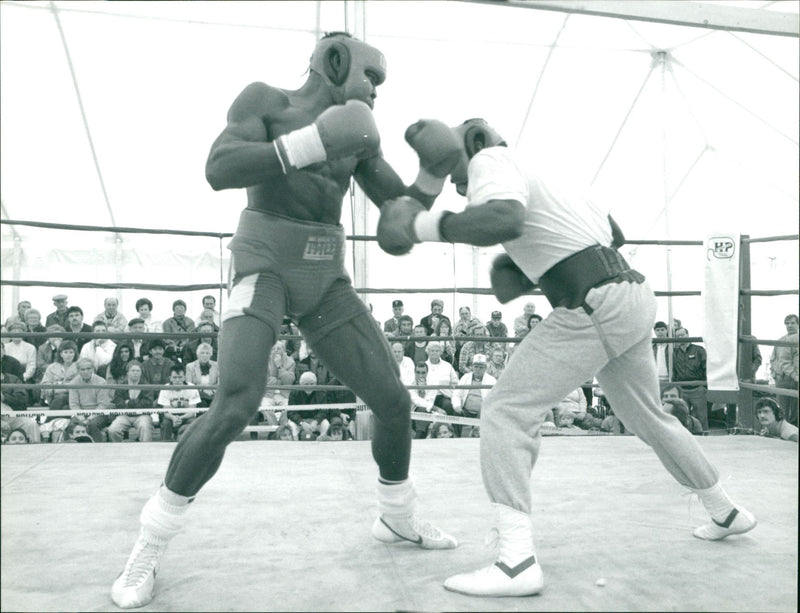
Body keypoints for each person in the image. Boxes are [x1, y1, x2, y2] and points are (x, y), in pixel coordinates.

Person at [111, 32, 460, 609]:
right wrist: (310, 143)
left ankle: (397, 518)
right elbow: (218, 168)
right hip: (264, 259)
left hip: (326, 273)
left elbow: (399, 227)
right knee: (237, 402)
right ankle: (149, 543)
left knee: (394, 402)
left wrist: (432, 176)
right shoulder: (267, 102)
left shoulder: (361, 137)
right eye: (372, 77)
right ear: (336, 60)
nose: (376, 91)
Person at [376, 117, 756, 596]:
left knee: (506, 410)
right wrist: (527, 265)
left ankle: (516, 562)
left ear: (474, 143)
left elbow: (505, 219)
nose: (454, 180)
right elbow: (612, 235)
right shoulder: (555, 177)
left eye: (456, 168)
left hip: (595, 305)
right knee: (650, 417)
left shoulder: (492, 158)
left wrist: (421, 225)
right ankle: (725, 509)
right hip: (632, 298)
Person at [108, 361, 156, 443]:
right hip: (125, 415)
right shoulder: (121, 386)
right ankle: (117, 450)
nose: (135, 373)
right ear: (127, 373)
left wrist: (128, 402)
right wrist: (137, 402)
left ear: (141, 373)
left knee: (145, 427)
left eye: (138, 371)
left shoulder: (147, 386)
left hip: (142, 415)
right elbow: (119, 403)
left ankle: (146, 451)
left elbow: (147, 403)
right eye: (133, 371)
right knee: (113, 430)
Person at [672, 327, 709, 432]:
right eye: (678, 336)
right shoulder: (674, 353)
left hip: (698, 389)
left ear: (688, 335)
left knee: (701, 417)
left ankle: (705, 438)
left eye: (682, 335)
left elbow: (706, 368)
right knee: (682, 417)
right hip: (682, 389)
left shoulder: (699, 350)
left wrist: (704, 386)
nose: (680, 337)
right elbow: (674, 371)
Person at [451, 353, 496, 437]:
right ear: (472, 367)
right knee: (456, 413)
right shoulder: (465, 377)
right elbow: (456, 394)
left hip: (483, 411)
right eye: (476, 367)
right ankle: (456, 438)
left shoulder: (491, 380)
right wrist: (457, 406)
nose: (478, 369)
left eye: (481, 367)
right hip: (466, 410)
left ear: (485, 368)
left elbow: (494, 399)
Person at [156, 365, 201, 442]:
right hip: (171, 417)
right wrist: (173, 418)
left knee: (194, 422)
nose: (177, 380)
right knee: (165, 423)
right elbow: (166, 412)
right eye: (174, 377)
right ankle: (164, 445)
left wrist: (181, 418)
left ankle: (189, 446)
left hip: (187, 417)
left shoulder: (191, 387)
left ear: (184, 378)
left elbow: (192, 412)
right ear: (170, 378)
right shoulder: (165, 388)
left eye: (180, 377)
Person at [769, 314, 798, 426]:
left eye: (792, 323)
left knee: (795, 411)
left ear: (798, 324)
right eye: (787, 323)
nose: (790, 325)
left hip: (795, 379)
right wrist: (774, 374)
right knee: (781, 410)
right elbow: (773, 358)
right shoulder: (780, 340)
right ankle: (782, 434)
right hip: (782, 379)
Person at [652, 320, 671, 389]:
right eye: (658, 330)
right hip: (655, 379)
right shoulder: (651, 347)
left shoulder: (672, 346)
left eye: (662, 330)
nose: (660, 332)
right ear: (654, 332)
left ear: (666, 330)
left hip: (670, 379)